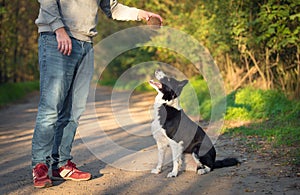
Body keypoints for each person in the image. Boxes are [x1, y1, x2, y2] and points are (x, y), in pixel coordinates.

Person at [32, 0, 163, 188]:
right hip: (55, 39)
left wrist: (140, 13)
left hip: (85, 43)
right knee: (51, 107)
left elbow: (112, 7)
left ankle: (60, 164)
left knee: (74, 110)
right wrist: (58, 29)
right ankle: (40, 165)